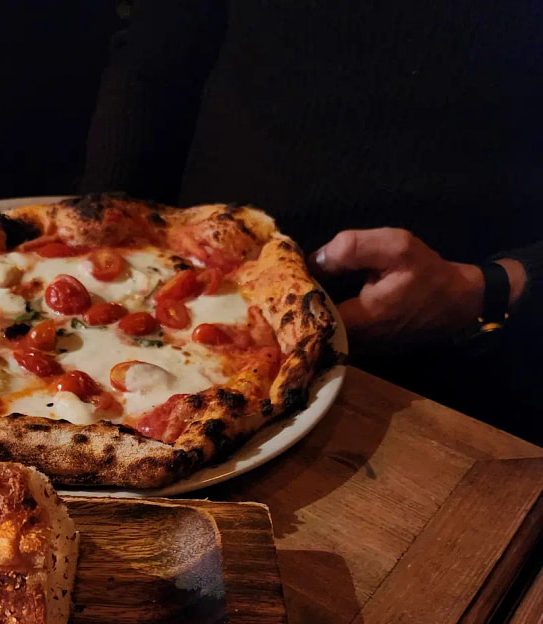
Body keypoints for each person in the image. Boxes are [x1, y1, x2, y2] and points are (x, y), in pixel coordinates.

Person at [81, 0, 542, 442]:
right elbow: (156, 55)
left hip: (461, 366)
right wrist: (101, 242)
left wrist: (495, 286)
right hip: (183, 293)